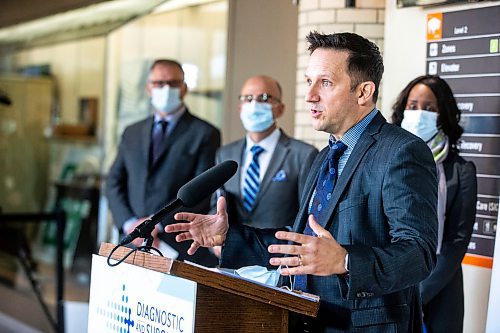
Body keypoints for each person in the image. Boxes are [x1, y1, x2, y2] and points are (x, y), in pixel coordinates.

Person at [166, 32, 438, 332]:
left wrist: (346, 261)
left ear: (363, 92)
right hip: (304, 319)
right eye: (309, 81)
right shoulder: (325, 156)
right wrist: (230, 237)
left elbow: (419, 253)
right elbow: (298, 244)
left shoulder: (401, 151)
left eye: (325, 82)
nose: (310, 96)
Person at [106, 59, 220, 267]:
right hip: (132, 242)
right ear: (148, 88)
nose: (165, 89)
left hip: (177, 245)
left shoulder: (205, 133)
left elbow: (201, 191)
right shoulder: (132, 132)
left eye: (173, 83)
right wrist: (131, 224)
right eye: (159, 83)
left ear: (184, 89)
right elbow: (114, 181)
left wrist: (155, 224)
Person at [392, 75, 477, 333]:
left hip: (440, 290)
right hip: (389, 283)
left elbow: (457, 240)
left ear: (442, 115)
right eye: (413, 105)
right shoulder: (385, 160)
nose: (419, 113)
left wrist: (419, 292)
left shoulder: (461, 171)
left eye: (429, 108)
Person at [210, 75, 317, 258]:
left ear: (281, 109)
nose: (254, 104)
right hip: (232, 257)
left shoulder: (304, 155)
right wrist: (215, 237)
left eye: (264, 98)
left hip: (279, 261)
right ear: (240, 108)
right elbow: (216, 204)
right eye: (248, 98)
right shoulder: (225, 154)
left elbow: (309, 216)